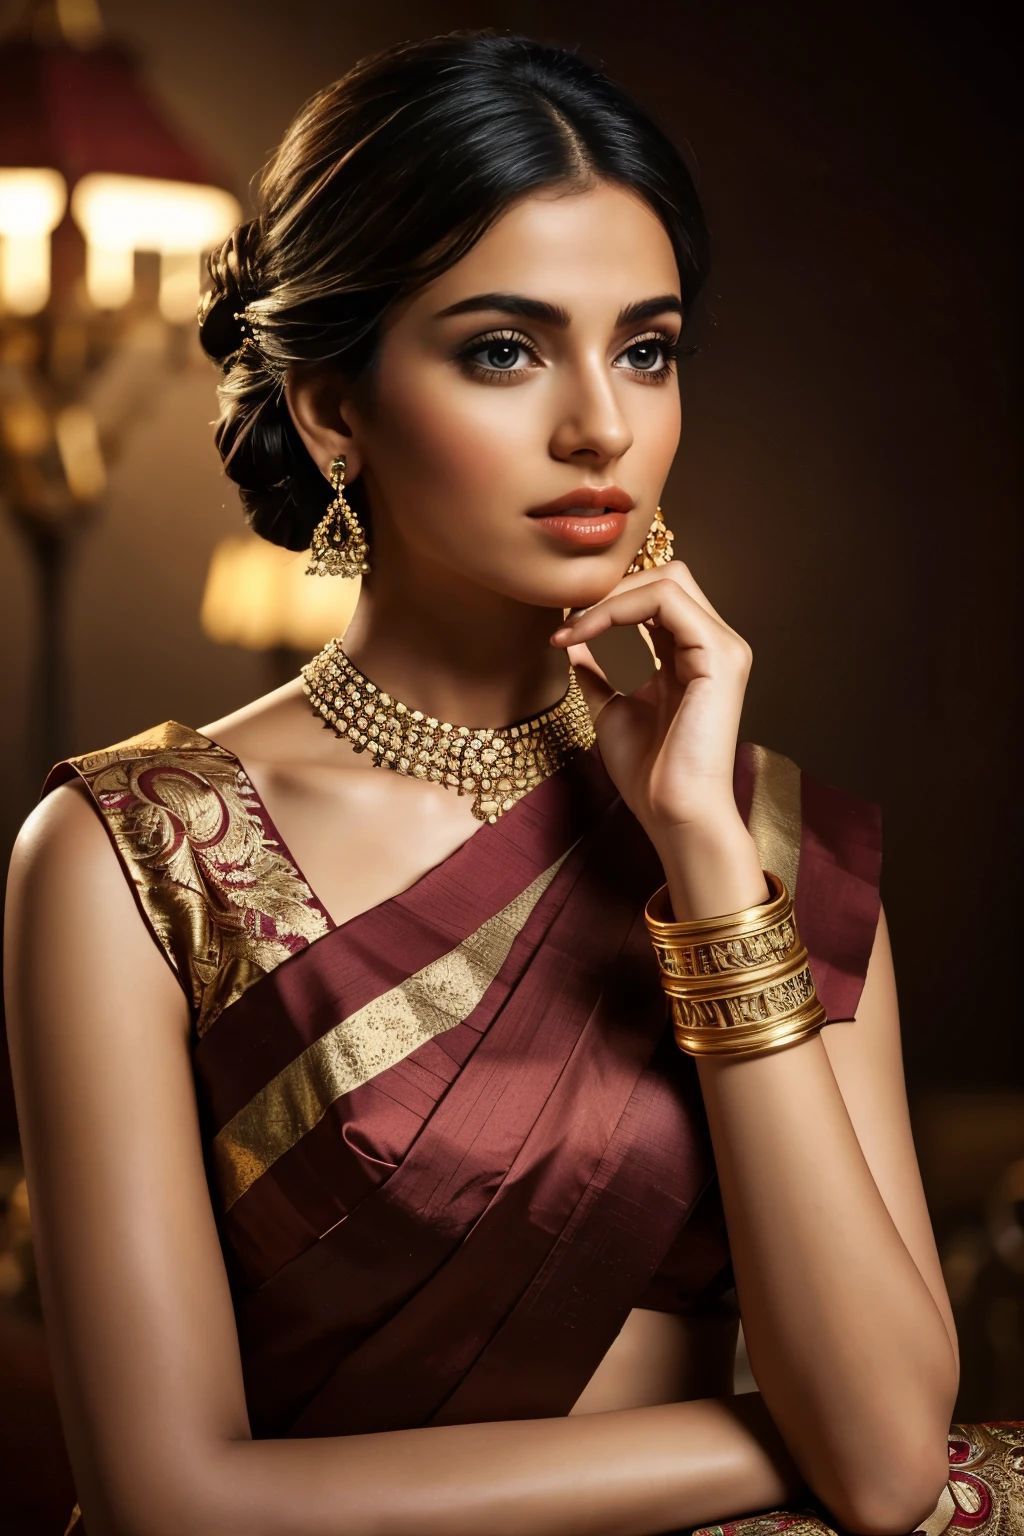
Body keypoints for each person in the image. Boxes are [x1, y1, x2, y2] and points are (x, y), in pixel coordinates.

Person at [7, 30, 1011, 1536]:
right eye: (504, 348)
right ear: (333, 408)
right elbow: (173, 1502)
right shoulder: (128, 860)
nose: (601, 425)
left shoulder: (758, 828)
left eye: (647, 348)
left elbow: (877, 1459)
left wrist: (707, 861)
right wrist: (763, 1440)